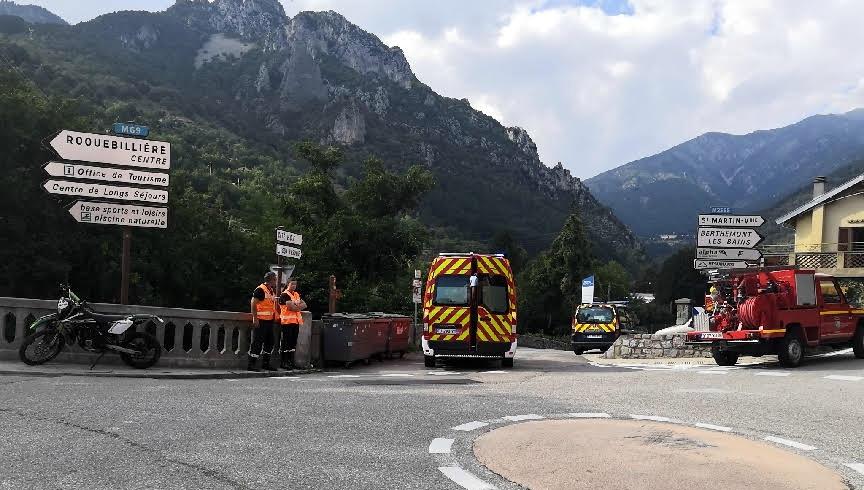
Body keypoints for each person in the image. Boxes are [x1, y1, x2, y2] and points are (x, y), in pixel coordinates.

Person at [249, 272, 279, 372]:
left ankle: (266, 364)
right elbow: (253, 303)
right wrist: (255, 318)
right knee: (257, 342)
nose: (276, 281)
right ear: (271, 280)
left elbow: (270, 305)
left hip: (269, 321)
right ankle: (252, 364)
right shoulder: (260, 289)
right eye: (275, 279)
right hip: (261, 320)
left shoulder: (271, 291)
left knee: (270, 342)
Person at [278, 279, 307, 369]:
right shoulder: (284, 295)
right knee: (286, 343)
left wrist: (296, 306)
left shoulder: (296, 294)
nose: (294, 286)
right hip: (286, 322)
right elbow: (292, 308)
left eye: (295, 284)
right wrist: (298, 306)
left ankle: (290, 362)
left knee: (293, 344)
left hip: (295, 322)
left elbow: (305, 304)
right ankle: (284, 362)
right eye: (292, 284)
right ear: (287, 285)